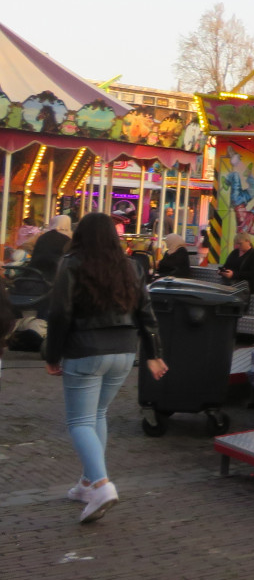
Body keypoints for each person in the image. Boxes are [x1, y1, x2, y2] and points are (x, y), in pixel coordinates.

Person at [43, 212, 168, 522]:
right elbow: (145, 312)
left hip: (85, 349)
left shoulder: (72, 265)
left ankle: (101, 485)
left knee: (80, 422)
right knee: (97, 415)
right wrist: (153, 352)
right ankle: (87, 482)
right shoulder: (132, 267)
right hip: (124, 351)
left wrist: (51, 354)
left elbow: (60, 314)